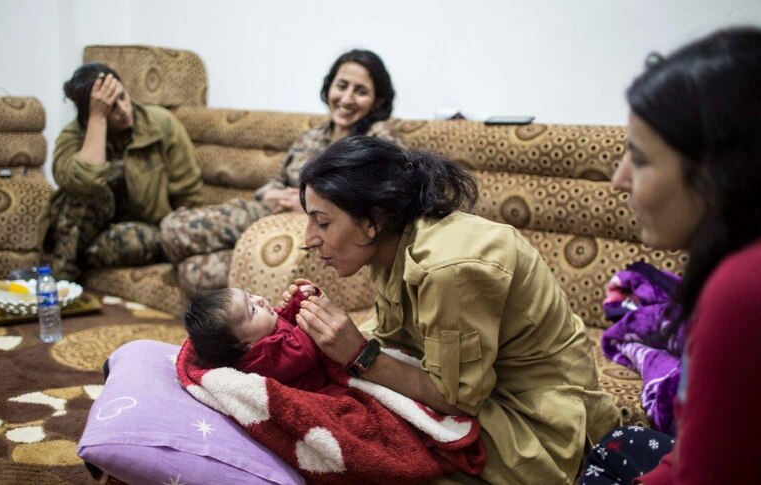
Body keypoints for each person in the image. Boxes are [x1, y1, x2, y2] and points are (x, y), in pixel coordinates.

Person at [294, 135, 619, 484]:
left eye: (322, 222)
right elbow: (395, 336)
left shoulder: (448, 268)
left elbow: (457, 399)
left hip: (538, 424)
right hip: (487, 393)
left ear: (372, 219)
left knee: (370, 458)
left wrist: (360, 354)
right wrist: (308, 336)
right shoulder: (389, 248)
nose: (308, 238)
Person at [580, 26, 761, 484]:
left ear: (716, 169)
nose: (619, 180)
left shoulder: (741, 289)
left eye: (639, 160)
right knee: (613, 446)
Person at [159, 48, 404, 293]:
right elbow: (277, 179)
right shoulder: (314, 135)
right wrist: (270, 194)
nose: (347, 98)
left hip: (300, 229)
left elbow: (381, 201)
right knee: (174, 228)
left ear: (378, 101)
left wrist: (311, 207)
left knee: (194, 272)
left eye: (360, 91)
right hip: (266, 212)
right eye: (342, 86)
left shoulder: (377, 141)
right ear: (329, 87)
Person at [39, 62, 204, 281]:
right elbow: (86, 181)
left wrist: (188, 238)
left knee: (126, 241)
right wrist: (98, 119)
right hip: (89, 230)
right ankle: (61, 285)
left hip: (145, 229)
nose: (124, 110)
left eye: (123, 97)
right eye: (111, 107)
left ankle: (68, 264)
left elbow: (189, 193)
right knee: (82, 195)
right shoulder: (73, 136)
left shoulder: (161, 124)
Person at [183, 281, 346, 395]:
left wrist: (300, 300)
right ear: (245, 345)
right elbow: (303, 350)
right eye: (252, 310)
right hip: (318, 390)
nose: (259, 300)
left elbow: (286, 319)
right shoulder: (264, 356)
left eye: (250, 295)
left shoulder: (265, 327)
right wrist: (310, 316)